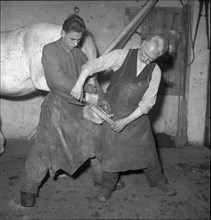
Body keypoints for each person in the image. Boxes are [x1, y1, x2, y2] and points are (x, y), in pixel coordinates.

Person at [71, 34, 177, 203]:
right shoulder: (122, 56)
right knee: (111, 153)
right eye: (145, 54)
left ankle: (159, 181)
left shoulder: (155, 71)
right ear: (142, 44)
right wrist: (78, 84)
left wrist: (126, 121)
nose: (147, 60)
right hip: (113, 114)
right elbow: (92, 65)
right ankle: (108, 186)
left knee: (148, 152)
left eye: (152, 58)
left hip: (136, 118)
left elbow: (147, 103)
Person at [20, 14, 108, 207]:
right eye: (72, 39)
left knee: (96, 140)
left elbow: (92, 78)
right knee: (44, 149)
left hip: (79, 109)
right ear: (62, 33)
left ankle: (102, 179)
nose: (76, 44)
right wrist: (84, 88)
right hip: (57, 109)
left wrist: (101, 98)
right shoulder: (50, 50)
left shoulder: (80, 54)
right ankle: (28, 189)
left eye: (79, 40)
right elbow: (56, 80)